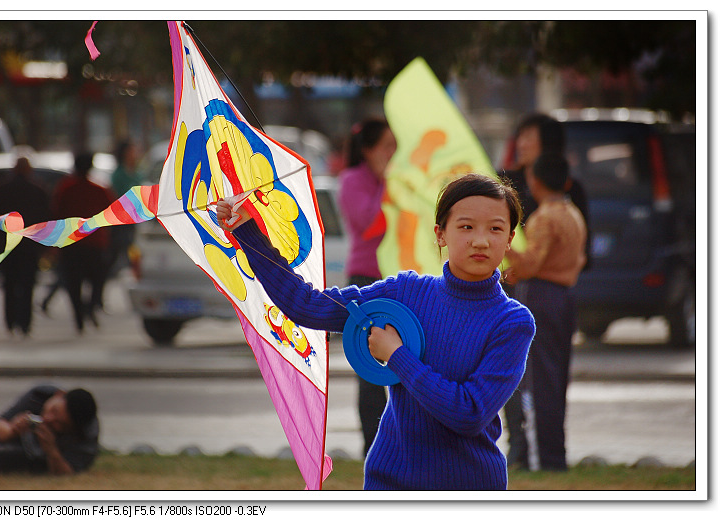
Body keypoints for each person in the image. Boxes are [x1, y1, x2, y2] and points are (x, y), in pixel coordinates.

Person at [216, 173, 535, 490]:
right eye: (466, 227)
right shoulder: (407, 292)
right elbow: (309, 306)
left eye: (495, 229)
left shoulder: (512, 322)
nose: (481, 240)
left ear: (509, 239)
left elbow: (469, 413)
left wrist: (396, 355)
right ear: (440, 234)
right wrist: (247, 232)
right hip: (388, 484)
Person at [501, 112, 590, 469]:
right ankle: (556, 454)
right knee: (556, 377)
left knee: (536, 379)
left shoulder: (544, 218)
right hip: (564, 296)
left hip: (539, 296)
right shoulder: (572, 214)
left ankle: (540, 457)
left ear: (535, 182)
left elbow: (529, 265)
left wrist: (505, 245)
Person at [337, 118, 397, 458]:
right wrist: (389, 183)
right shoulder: (352, 180)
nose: (393, 153)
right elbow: (371, 224)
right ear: (367, 150)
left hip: (397, 278)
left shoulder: (383, 180)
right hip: (366, 281)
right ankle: (373, 447)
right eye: (386, 146)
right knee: (372, 371)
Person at [51, 152, 116, 332]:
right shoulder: (100, 189)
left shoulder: (64, 188)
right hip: (95, 244)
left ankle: (79, 318)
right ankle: (89, 308)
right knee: (98, 280)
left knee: (73, 283)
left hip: (71, 244)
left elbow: (56, 214)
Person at [0, 157, 50, 336]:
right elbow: (44, 218)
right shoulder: (38, 189)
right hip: (29, 245)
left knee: (8, 284)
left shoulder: (2, 189)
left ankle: (10, 321)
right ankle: (25, 322)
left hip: (7, 244)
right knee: (28, 284)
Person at [0, 385, 99, 475]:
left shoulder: (86, 433)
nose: (48, 419)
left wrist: (51, 449)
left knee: (0, 457)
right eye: (53, 411)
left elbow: (68, 473)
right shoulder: (39, 396)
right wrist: (13, 430)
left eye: (59, 424)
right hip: (16, 443)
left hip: (40, 460)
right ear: (59, 395)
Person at [109, 140, 142, 276]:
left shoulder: (137, 173)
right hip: (123, 221)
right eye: (131, 151)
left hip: (137, 219)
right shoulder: (119, 175)